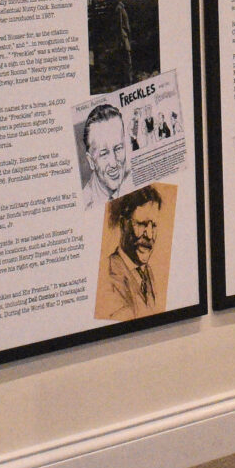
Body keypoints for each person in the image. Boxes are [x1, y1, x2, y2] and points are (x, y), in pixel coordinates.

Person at [98, 185, 167, 319]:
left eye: (154, 225)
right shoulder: (107, 274)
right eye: (142, 224)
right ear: (123, 225)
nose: (150, 235)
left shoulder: (148, 273)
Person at [79, 100, 131, 207]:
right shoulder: (84, 204)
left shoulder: (132, 177)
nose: (113, 163)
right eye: (104, 154)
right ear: (91, 161)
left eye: (118, 148)